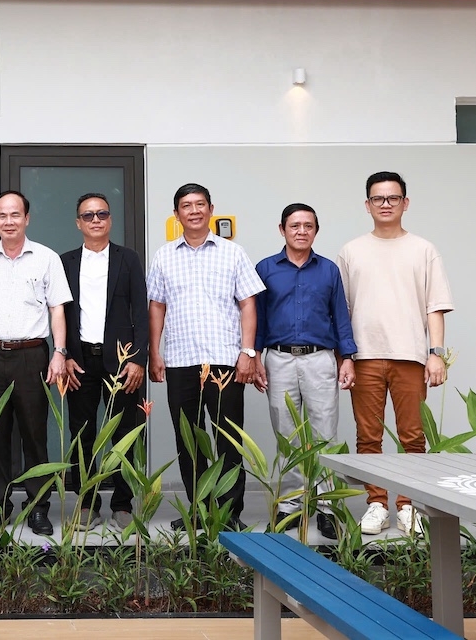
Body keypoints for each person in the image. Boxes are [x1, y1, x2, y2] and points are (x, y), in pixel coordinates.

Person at [337, 171, 453, 536]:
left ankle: (407, 505)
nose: (385, 204)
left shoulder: (424, 249)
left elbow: (434, 306)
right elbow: (342, 309)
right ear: (367, 205)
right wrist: (345, 356)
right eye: (378, 198)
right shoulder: (351, 251)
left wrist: (436, 353)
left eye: (392, 198)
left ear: (405, 203)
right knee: (368, 436)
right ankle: (376, 503)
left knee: (412, 436)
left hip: (410, 356)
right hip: (364, 356)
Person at [147, 183, 265, 530]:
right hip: (180, 361)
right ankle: (198, 509)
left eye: (200, 204)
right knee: (189, 439)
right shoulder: (164, 256)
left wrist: (248, 352)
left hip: (225, 360)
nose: (194, 211)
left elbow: (248, 304)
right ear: (176, 214)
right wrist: (155, 352)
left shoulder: (233, 253)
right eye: (187, 205)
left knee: (228, 438)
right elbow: (157, 306)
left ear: (211, 209)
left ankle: (228, 514)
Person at [0, 190, 71, 535]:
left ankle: (38, 508)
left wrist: (59, 352)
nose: (8, 221)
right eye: (2, 215)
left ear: (27, 218)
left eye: (15, 215)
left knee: (34, 434)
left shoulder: (47, 258)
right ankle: (0, 505)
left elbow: (57, 309)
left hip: (32, 355)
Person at [254, 203, 357, 540]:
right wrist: (255, 356)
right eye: (295, 225)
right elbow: (258, 317)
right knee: (287, 436)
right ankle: (290, 506)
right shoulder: (265, 269)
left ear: (316, 230)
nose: (301, 231)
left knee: (325, 434)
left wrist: (347, 358)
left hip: (320, 360)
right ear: (282, 229)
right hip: (279, 359)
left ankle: (327, 507)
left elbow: (340, 316)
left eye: (308, 226)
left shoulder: (328, 270)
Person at [59, 192, 148, 532]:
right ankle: (87, 502)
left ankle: (122, 504)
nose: (95, 220)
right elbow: (58, 313)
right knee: (82, 433)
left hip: (122, 362)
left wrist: (138, 359)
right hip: (80, 362)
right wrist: (65, 355)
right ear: (78, 223)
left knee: (124, 434)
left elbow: (140, 311)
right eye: (88, 215)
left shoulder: (128, 259)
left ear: (110, 220)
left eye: (101, 214)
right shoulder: (65, 262)